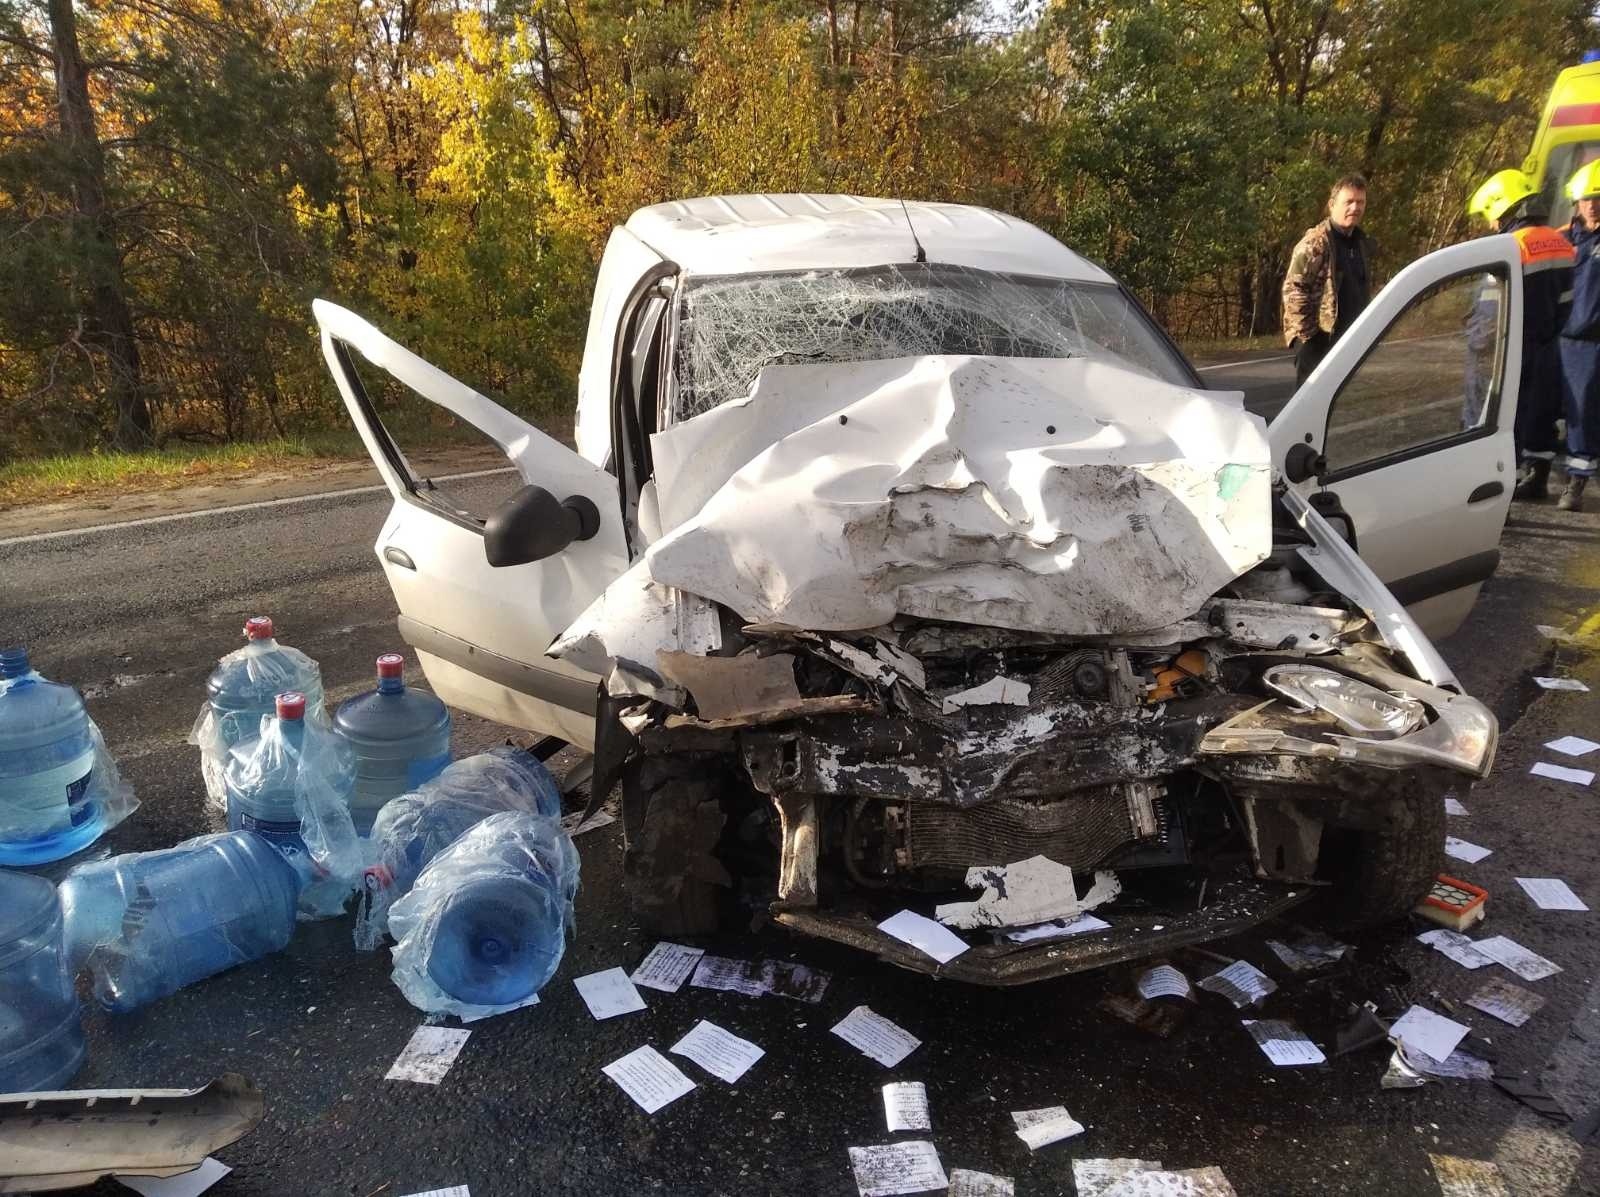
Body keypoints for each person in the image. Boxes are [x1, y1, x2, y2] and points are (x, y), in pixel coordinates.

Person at [1465, 169, 1575, 500]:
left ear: (1503, 207)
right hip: (1547, 343)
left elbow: (1489, 311)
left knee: (1493, 421)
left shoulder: (1510, 246)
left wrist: (1477, 348)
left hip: (1505, 349)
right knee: (1534, 413)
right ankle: (1534, 479)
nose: (1491, 224)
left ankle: (1495, 498)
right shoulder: (1561, 242)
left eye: (1491, 216)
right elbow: (1565, 302)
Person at [1282, 175, 1377, 385]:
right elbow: (1294, 291)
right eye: (1349, 202)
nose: (1355, 208)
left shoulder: (1361, 242)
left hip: (1348, 340)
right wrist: (1310, 339)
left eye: (1360, 202)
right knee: (1310, 405)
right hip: (1318, 341)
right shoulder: (1315, 242)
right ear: (1332, 204)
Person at [1559, 160, 1600, 512]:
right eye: (1587, 197)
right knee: (1568, 409)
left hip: (1594, 339)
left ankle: (1578, 479)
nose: (1592, 204)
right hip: (1563, 339)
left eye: (1598, 197)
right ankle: (1541, 470)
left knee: (1585, 408)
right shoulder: (1562, 239)